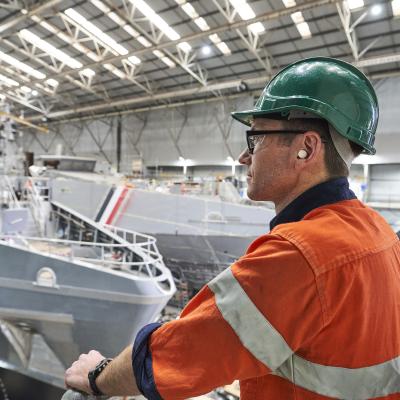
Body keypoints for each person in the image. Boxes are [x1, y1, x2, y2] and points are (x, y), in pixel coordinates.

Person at [64, 57, 400, 399]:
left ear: (306, 148)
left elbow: (172, 359)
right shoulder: (377, 232)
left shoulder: (299, 253)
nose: (243, 156)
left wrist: (97, 375)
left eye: (256, 138)